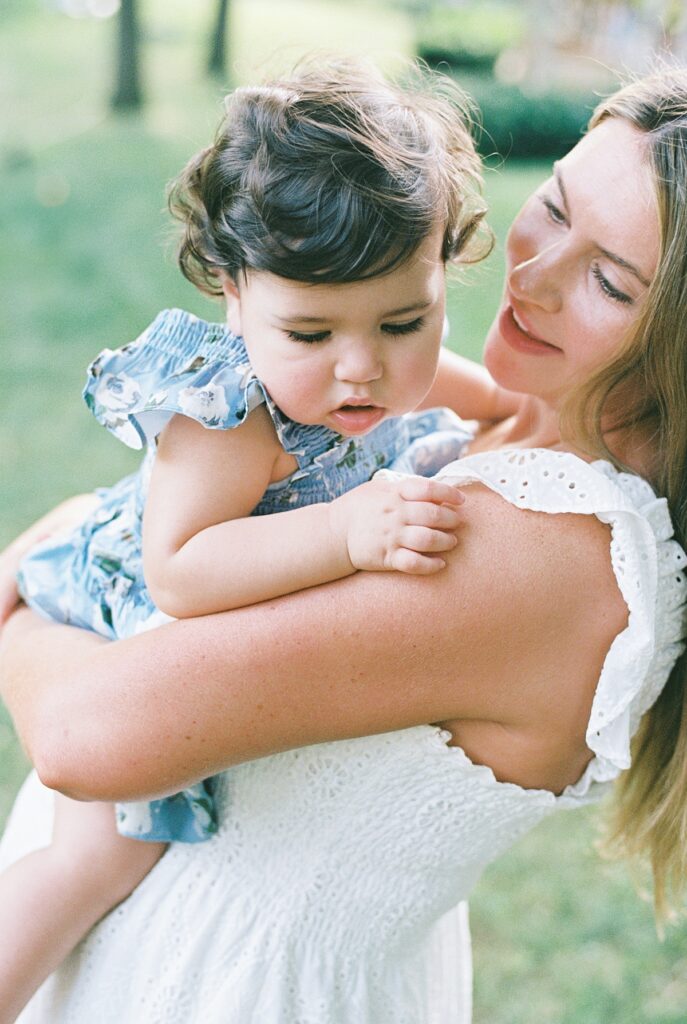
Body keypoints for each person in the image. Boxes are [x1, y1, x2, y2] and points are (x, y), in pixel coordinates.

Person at [1, 65, 687, 1024]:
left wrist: (22, 605)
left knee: (81, 860)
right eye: (552, 205)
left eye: (609, 280)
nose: (529, 277)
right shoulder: (508, 421)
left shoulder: (550, 551)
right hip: (175, 945)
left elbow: (86, 735)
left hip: (228, 990)